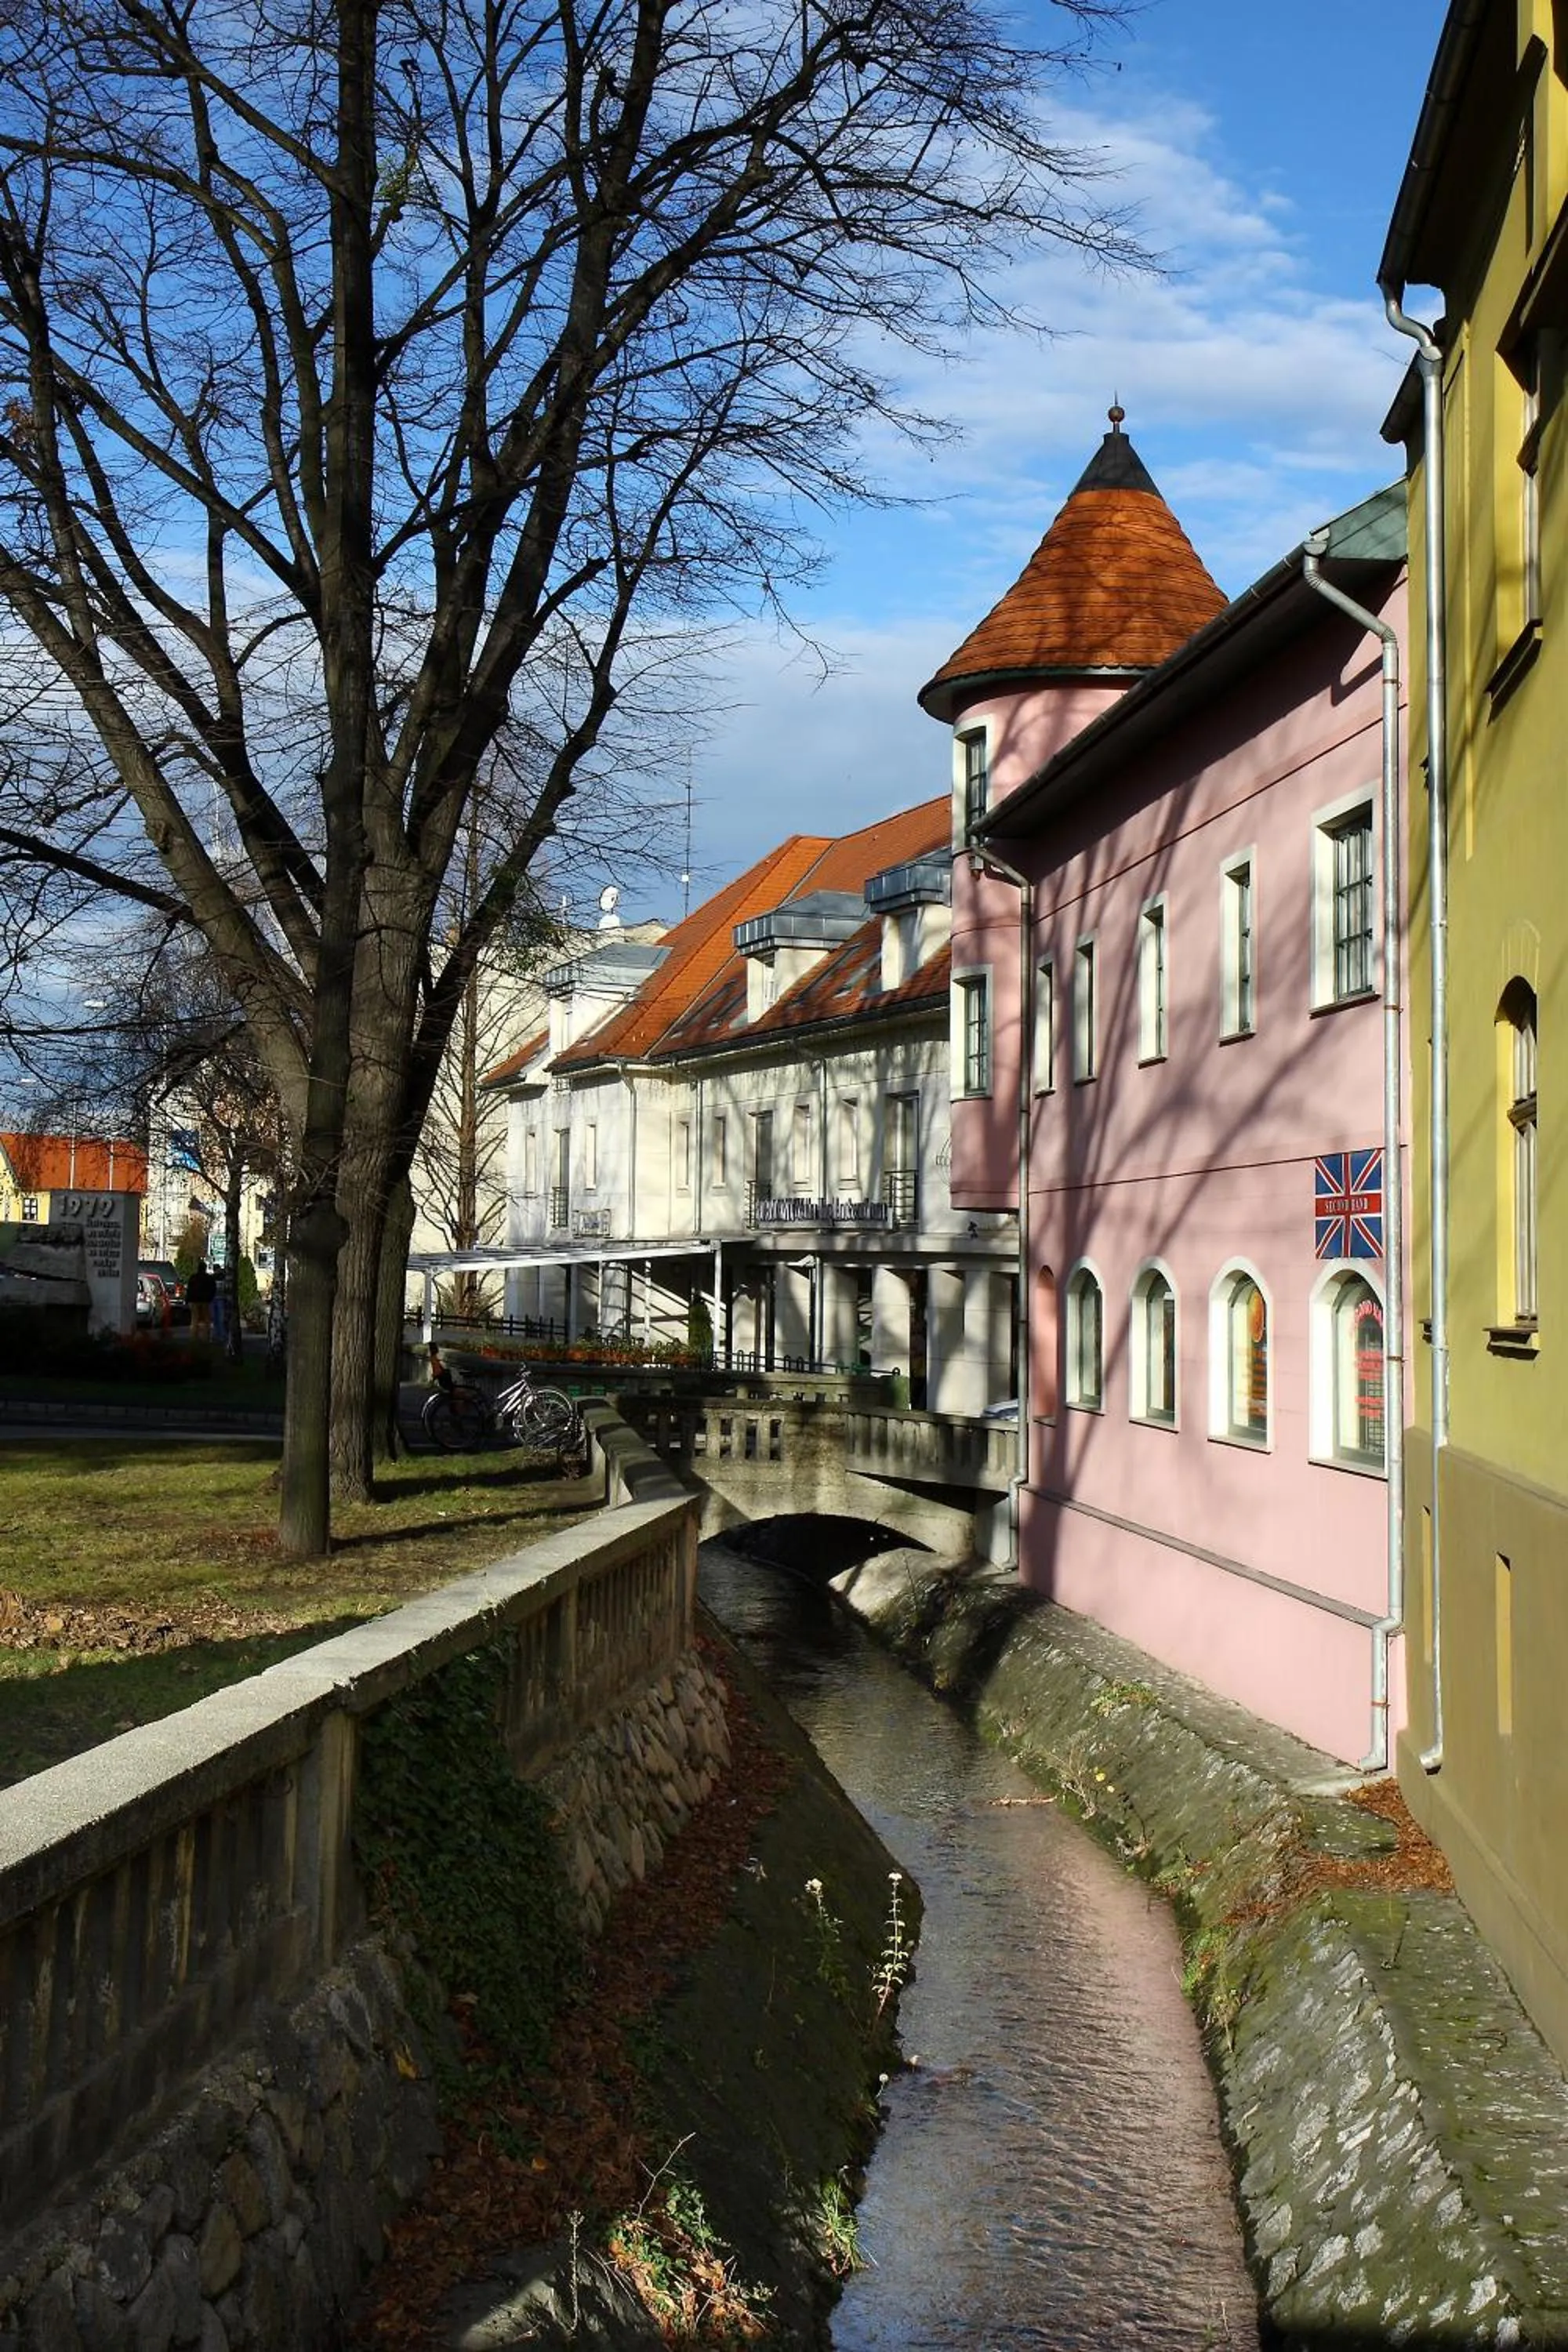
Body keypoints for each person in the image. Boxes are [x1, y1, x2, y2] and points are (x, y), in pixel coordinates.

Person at [185, 1257, 217, 1342]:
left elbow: (189, 1289)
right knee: (206, 1321)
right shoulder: (209, 1278)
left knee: (194, 1320)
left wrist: (187, 1300)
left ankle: (193, 1338)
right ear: (205, 1269)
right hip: (205, 1301)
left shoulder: (193, 1277)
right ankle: (206, 1338)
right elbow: (213, 1289)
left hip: (194, 1301)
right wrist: (210, 1298)